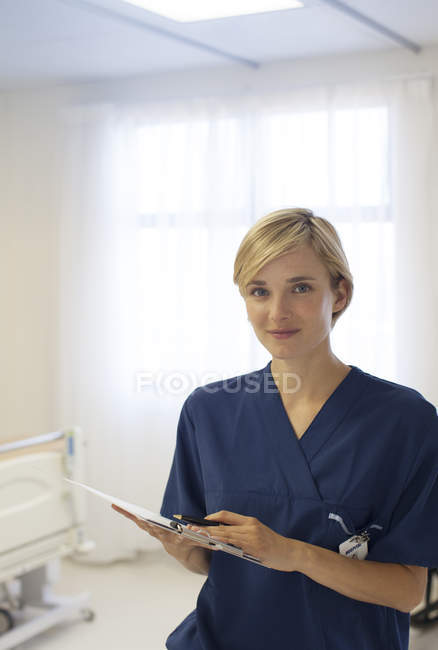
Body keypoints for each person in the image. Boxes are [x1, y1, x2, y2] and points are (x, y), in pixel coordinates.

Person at [114, 208, 438, 650]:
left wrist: (295, 554)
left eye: (300, 288)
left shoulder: (404, 420)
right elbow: (213, 564)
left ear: (339, 294)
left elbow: (406, 591)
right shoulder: (208, 410)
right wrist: (182, 548)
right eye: (259, 291)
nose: (277, 312)